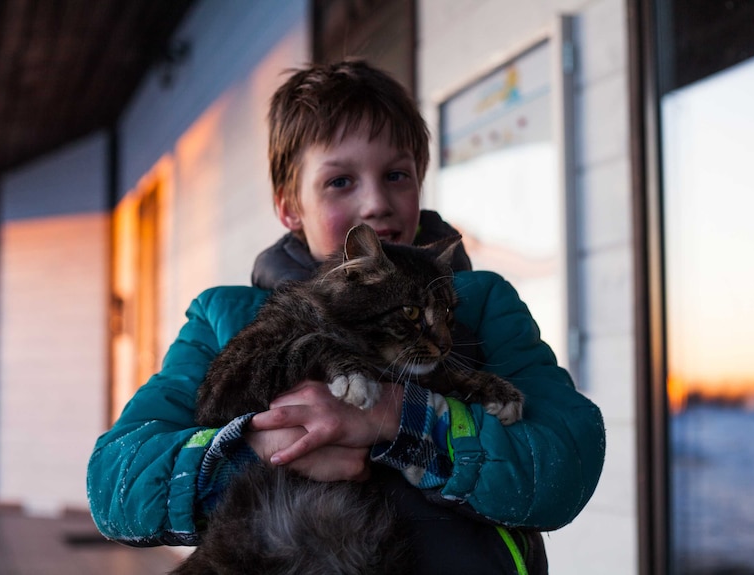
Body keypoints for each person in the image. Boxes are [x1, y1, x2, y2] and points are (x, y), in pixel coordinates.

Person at [87, 60, 605, 574]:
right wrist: (264, 449)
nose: (376, 203)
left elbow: (564, 463)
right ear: (290, 206)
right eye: (340, 181)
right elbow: (116, 484)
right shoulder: (223, 315)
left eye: (396, 175)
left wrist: (393, 417)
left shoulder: (483, 300)